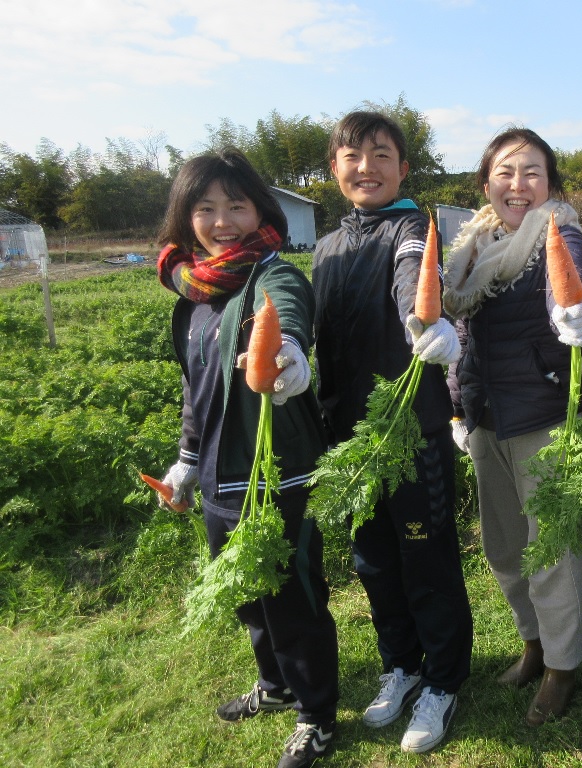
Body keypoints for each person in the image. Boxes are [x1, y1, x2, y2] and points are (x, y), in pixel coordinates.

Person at [154, 148, 338, 768]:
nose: (222, 220)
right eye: (206, 208)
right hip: (217, 476)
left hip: (275, 470)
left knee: (292, 596)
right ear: (187, 218)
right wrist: (184, 461)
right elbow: (197, 389)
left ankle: (316, 716)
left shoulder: (272, 274)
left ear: (259, 209)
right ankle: (277, 684)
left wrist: (288, 356)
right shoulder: (195, 296)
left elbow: (288, 323)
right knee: (246, 594)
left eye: (236, 205)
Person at [312, 111, 473, 754]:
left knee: (426, 558)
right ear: (334, 171)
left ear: (403, 168)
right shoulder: (325, 247)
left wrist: (421, 321)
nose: (367, 168)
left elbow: (416, 279)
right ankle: (400, 664)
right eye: (353, 156)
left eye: (382, 156)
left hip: (412, 433)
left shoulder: (412, 227)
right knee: (373, 559)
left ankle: (443, 678)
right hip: (350, 437)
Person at [443, 127, 582, 726]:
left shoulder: (562, 235)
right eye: (505, 171)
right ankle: (532, 643)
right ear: (487, 185)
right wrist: (460, 406)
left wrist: (573, 313)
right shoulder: (473, 249)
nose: (518, 184)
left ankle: (563, 666)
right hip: (486, 418)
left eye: (532, 171)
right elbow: (459, 335)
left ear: (550, 184)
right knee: (504, 544)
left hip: (545, 414)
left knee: (552, 547)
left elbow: (571, 286)